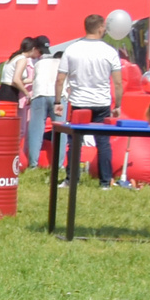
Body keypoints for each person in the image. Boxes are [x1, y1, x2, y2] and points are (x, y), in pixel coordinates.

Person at [57, 14, 130, 187]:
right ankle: (105, 182)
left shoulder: (72, 49)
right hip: (101, 103)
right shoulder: (109, 51)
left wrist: (58, 102)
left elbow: (60, 79)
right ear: (100, 28)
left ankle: (71, 180)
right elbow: (118, 82)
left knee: (75, 142)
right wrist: (117, 105)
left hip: (79, 102)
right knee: (103, 142)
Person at [25, 36, 62, 167]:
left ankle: (33, 164)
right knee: (60, 131)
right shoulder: (61, 62)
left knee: (36, 130)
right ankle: (58, 165)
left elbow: (33, 79)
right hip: (58, 95)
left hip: (39, 93)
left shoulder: (39, 63)